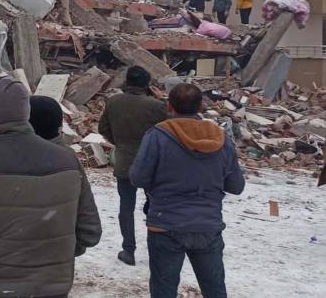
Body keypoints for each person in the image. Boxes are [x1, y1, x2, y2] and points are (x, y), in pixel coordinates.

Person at [0, 75, 101, 298]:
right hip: (50, 289)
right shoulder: (67, 160)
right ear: (26, 113)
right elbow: (90, 232)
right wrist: (55, 257)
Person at [130, 83, 245, 298]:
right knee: (215, 288)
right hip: (207, 225)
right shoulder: (221, 139)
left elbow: (137, 178)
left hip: (166, 224)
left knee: (163, 289)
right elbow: (236, 186)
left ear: (169, 106)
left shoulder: (157, 136)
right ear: (201, 106)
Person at [99, 65, 168, 267]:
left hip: (124, 162)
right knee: (155, 207)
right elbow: (173, 126)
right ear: (146, 84)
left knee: (126, 207)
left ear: (127, 82)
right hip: (151, 165)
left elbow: (102, 127)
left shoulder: (113, 102)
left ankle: (128, 250)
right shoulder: (155, 106)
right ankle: (157, 249)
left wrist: (120, 143)